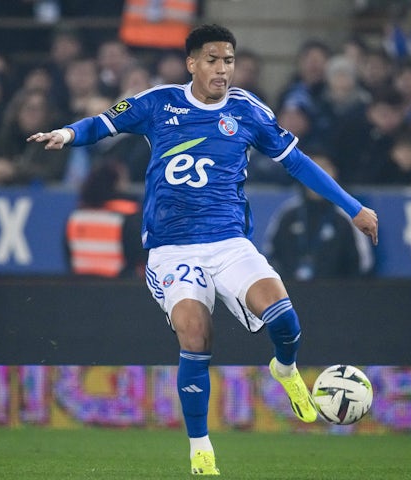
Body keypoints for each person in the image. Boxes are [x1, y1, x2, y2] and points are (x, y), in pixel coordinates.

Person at [27, 24, 378, 476]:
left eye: (228, 60)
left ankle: (285, 368)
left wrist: (352, 208)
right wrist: (67, 135)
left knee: (286, 319)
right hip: (172, 250)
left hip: (230, 243)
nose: (222, 69)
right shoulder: (157, 103)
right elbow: (102, 123)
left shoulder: (248, 111)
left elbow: (298, 163)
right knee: (196, 334)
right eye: (212, 60)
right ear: (192, 63)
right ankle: (200, 448)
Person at [264, 150, 372, 280]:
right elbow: (271, 257)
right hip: (291, 295)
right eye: (311, 169)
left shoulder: (348, 217)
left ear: (335, 173)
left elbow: (362, 265)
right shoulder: (287, 214)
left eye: (324, 168)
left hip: (337, 296)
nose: (318, 176)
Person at [66, 161, 147, 278]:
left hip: (81, 288)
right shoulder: (130, 217)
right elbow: (139, 257)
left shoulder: (75, 218)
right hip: (121, 288)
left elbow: (69, 258)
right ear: (116, 184)